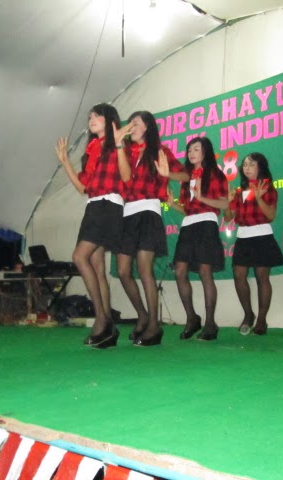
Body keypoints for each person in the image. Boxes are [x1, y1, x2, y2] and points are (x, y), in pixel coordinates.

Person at [55, 103, 132, 349]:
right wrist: (65, 162)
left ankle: (102, 319)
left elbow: (127, 177)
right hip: (94, 206)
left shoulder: (117, 144)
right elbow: (83, 188)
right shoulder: (92, 149)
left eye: (97, 115)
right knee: (97, 267)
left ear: (110, 120)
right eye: (89, 116)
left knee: (79, 257)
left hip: (109, 205)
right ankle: (109, 327)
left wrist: (119, 145)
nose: (91, 119)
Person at [116, 111, 188, 347]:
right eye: (130, 124)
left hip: (149, 210)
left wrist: (168, 174)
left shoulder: (159, 151)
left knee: (144, 269)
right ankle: (143, 315)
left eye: (136, 123)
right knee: (123, 270)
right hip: (127, 212)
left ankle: (154, 326)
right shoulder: (125, 150)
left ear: (147, 127)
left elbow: (186, 174)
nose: (131, 127)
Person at [168, 136, 228, 341]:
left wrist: (202, 197)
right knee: (179, 271)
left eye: (196, 149)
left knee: (205, 271)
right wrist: (171, 203)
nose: (191, 153)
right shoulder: (186, 178)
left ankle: (210, 323)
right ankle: (192, 317)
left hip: (207, 223)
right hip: (188, 225)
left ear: (205, 152)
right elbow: (187, 209)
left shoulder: (215, 174)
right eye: (189, 150)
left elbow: (224, 204)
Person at [224, 152, 283, 335]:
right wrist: (227, 203)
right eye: (244, 165)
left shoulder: (268, 189)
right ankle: (248, 314)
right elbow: (228, 218)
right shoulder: (238, 191)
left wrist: (258, 197)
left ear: (261, 167)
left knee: (262, 277)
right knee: (238, 274)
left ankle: (262, 320)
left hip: (262, 235)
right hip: (243, 236)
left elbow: (271, 215)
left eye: (251, 164)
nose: (247, 168)